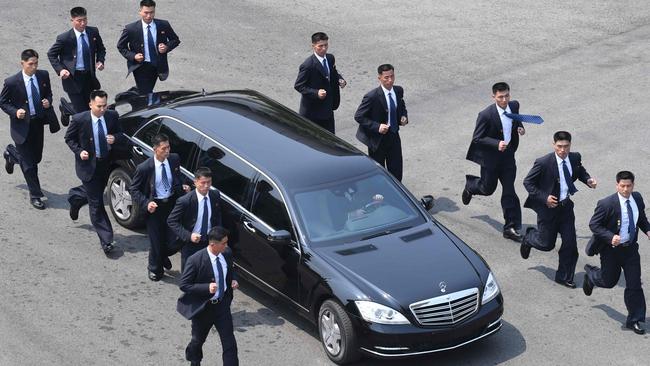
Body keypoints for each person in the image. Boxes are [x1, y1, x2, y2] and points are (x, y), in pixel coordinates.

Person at [519, 131, 597, 288]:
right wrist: (544, 197)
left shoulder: (574, 157)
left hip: (566, 208)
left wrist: (587, 179)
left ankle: (563, 277)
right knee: (546, 244)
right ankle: (529, 238)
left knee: (570, 245)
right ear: (553, 145)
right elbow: (528, 182)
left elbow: (579, 170)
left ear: (570, 145)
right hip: (548, 209)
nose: (563, 150)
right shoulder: (543, 162)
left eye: (566, 146)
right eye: (559, 146)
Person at [583, 171, 650, 335]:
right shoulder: (607, 204)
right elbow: (594, 225)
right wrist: (610, 236)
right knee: (609, 281)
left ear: (633, 185)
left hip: (631, 250)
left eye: (629, 186)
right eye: (622, 186)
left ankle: (634, 320)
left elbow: (640, 218)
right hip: (611, 251)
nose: (626, 189)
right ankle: (591, 276)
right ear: (617, 185)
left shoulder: (637, 199)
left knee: (634, 285)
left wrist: (648, 230)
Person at [65, 90, 127, 255]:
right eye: (99, 106)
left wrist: (115, 138)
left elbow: (121, 134)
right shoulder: (79, 120)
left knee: (96, 194)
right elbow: (69, 138)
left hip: (105, 164)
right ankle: (106, 240)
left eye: (104, 105)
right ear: (90, 104)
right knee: (97, 203)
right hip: (87, 166)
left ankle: (76, 198)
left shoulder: (112, 116)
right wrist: (79, 152)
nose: (102, 109)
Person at [463, 82, 525, 241]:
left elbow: (516, 120)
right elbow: (477, 138)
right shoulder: (486, 115)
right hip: (490, 159)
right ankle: (470, 186)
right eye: (500, 97)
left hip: (508, 157)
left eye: (506, 96)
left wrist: (520, 127)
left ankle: (510, 226)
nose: (504, 100)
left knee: (509, 190)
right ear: (493, 97)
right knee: (487, 188)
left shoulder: (514, 106)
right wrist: (496, 144)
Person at [1, 49, 60, 210]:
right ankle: (35, 195)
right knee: (29, 165)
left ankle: (11, 154)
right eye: (30, 64)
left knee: (35, 159)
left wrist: (47, 101)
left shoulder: (43, 76)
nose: (34, 67)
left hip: (37, 123)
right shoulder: (12, 82)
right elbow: (3, 101)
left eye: (36, 63)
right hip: (21, 127)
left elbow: (48, 93)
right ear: (23, 64)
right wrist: (15, 112)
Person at [130, 133, 190, 281]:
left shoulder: (174, 159)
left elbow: (177, 177)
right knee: (156, 240)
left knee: (176, 238)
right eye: (163, 148)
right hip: (155, 208)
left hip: (171, 203)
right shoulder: (144, 168)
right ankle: (154, 268)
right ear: (155, 149)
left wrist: (182, 187)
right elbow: (134, 189)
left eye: (168, 147)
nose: (167, 151)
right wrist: (146, 203)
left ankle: (162, 255)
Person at [177, 226, 239, 366]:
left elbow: (231, 269)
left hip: (222, 305)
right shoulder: (195, 260)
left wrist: (233, 279)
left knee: (229, 343)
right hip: (204, 309)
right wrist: (206, 288)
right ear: (213, 244)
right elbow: (184, 285)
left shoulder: (226, 253)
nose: (226, 245)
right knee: (197, 341)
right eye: (223, 243)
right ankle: (194, 360)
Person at [354, 64, 408, 181]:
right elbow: (359, 116)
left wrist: (403, 116)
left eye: (392, 76)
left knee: (396, 170)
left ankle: (397, 194)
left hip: (393, 136)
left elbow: (401, 106)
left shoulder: (398, 91)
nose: (390, 80)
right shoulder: (372, 97)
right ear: (379, 78)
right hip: (377, 140)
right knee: (378, 172)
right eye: (386, 77)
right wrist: (377, 126)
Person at [47, 6, 106, 114]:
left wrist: (100, 60)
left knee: (90, 108)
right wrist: (60, 70)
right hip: (73, 79)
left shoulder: (93, 32)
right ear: (72, 21)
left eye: (85, 20)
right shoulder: (64, 38)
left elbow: (101, 49)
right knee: (83, 113)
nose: (83, 23)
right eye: (79, 21)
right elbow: (51, 54)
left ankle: (67, 108)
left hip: (89, 77)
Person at [117, 0, 181, 94]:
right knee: (146, 92)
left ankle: (135, 94)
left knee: (147, 90)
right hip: (141, 66)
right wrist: (133, 56)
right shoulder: (131, 28)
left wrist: (166, 47)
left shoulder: (163, 25)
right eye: (146, 13)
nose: (149, 16)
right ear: (140, 12)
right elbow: (121, 46)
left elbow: (175, 40)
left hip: (157, 64)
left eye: (151, 12)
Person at [167, 167, 222, 271]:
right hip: (191, 243)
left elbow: (217, 216)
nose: (206, 186)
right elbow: (172, 221)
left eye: (209, 182)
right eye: (203, 183)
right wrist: (189, 236)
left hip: (209, 241)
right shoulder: (185, 201)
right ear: (195, 182)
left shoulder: (215, 195)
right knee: (189, 273)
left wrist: (218, 235)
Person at [294, 32, 346, 134]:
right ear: (313, 46)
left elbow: (332, 72)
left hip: (328, 108)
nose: (324, 48)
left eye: (326, 45)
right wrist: (316, 93)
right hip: (313, 112)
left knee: (331, 140)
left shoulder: (330, 58)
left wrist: (340, 79)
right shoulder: (308, 65)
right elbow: (299, 85)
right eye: (320, 46)